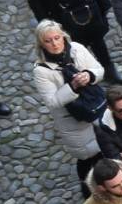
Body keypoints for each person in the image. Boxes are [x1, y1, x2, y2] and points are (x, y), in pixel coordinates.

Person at [32, 19, 108, 193]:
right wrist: (72, 87)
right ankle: (88, 191)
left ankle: (109, 182)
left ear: (62, 36)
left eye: (57, 38)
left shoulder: (77, 49)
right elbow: (52, 101)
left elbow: (99, 70)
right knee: (87, 156)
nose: (54, 43)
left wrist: (89, 75)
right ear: (41, 44)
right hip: (73, 121)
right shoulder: (41, 71)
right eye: (48, 41)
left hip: (97, 108)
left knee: (106, 147)